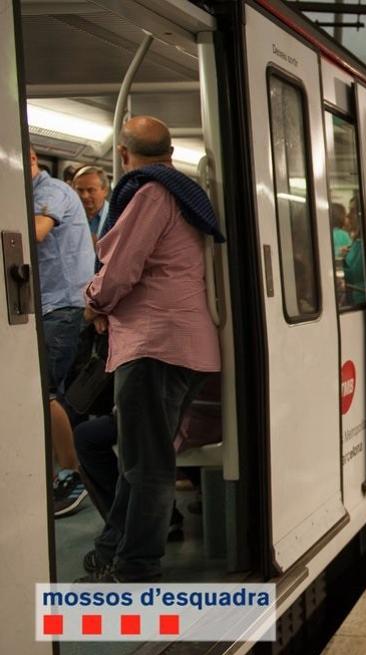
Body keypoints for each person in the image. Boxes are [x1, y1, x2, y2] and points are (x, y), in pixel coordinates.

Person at [78, 115, 224, 582]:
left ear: (124, 155)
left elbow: (120, 270)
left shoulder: (150, 194)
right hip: (183, 345)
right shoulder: (182, 191)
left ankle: (137, 565)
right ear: (171, 153)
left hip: (154, 345)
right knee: (143, 458)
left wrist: (92, 302)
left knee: (147, 465)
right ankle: (113, 549)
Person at [30, 148, 97, 517]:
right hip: (45, 306)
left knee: (46, 393)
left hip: (63, 305)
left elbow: (37, 232)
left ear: (32, 158)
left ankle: (72, 474)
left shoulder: (51, 191)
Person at [72, 165, 111, 243]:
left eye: (91, 190)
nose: (84, 196)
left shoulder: (117, 217)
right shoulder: (68, 215)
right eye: (80, 190)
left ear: (105, 191)